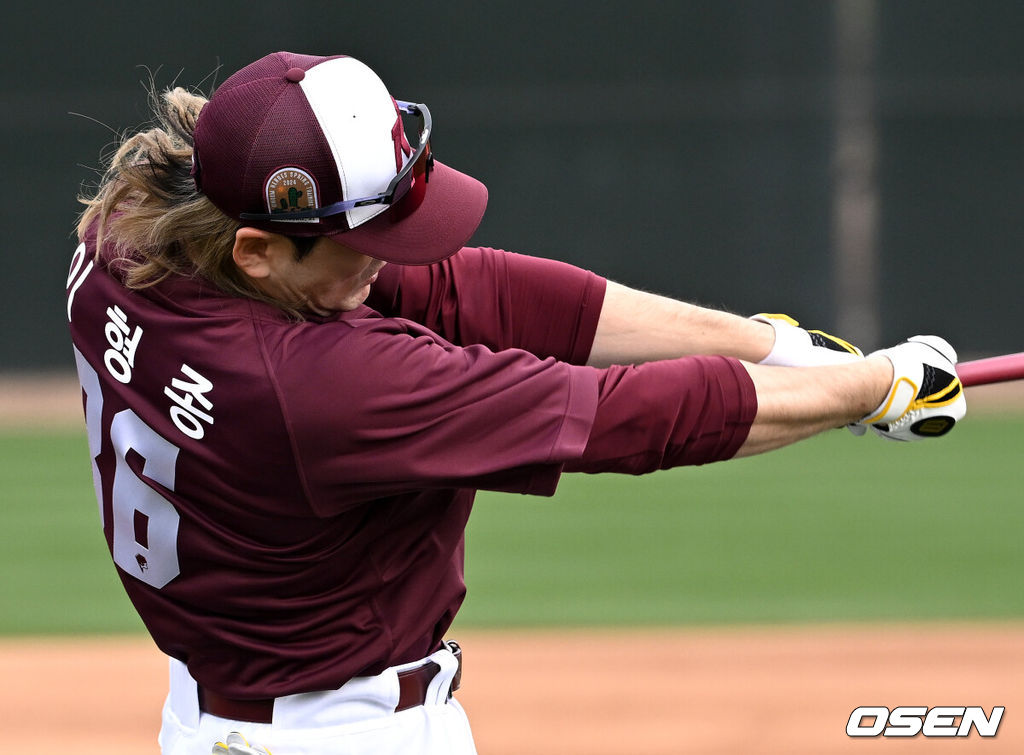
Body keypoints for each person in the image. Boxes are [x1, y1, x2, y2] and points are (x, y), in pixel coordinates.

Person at [66, 51, 966, 755]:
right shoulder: (322, 387)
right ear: (258, 251)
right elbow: (626, 418)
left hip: (223, 717)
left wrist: (769, 344)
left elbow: (484, 292)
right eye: (365, 239)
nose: (396, 257)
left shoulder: (121, 249)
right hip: (345, 734)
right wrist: (872, 385)